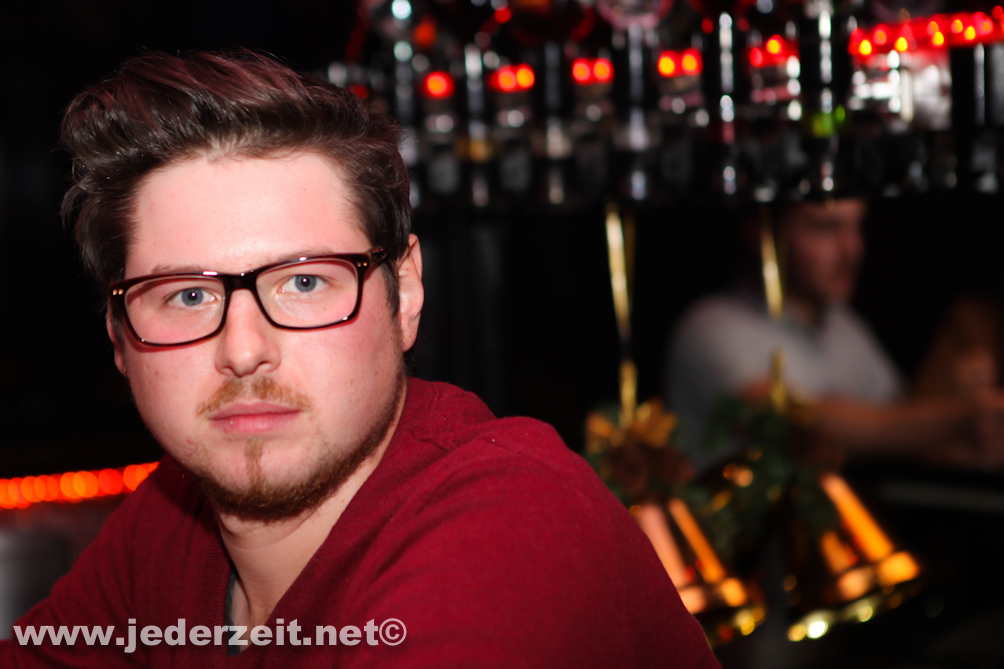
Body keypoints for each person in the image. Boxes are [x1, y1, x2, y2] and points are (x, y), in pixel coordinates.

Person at [0, 50, 718, 667]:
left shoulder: (512, 523)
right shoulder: (168, 522)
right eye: (187, 296)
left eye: (305, 283)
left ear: (405, 294)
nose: (243, 351)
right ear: (119, 338)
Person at [666, 195, 1004, 473]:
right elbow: (798, 424)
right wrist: (957, 418)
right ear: (761, 232)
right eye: (825, 227)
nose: (852, 249)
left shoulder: (843, 326)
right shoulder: (712, 326)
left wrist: (957, 395)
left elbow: (899, 419)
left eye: (857, 226)